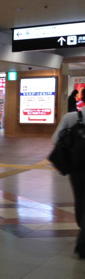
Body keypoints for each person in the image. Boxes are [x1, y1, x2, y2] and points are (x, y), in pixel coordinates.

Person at [53, 110, 85, 258]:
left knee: (80, 200)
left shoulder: (71, 117)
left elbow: (55, 139)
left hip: (77, 169)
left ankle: (81, 227)